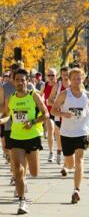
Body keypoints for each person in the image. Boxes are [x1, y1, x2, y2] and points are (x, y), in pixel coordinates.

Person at [0, 68, 49, 214]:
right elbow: (9, 115)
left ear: (27, 81)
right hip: (16, 137)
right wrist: (2, 120)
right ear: (13, 81)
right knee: (18, 170)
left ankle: (25, 179)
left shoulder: (34, 96)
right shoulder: (11, 98)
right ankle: (22, 201)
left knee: (34, 172)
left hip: (32, 136)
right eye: (17, 80)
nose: (20, 83)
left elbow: (46, 114)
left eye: (23, 80)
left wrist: (33, 122)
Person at [51, 68, 89, 204]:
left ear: (82, 79)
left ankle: (76, 189)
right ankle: (69, 167)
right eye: (74, 78)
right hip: (66, 133)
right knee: (70, 164)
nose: (77, 81)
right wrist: (63, 114)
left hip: (82, 132)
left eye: (79, 78)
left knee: (79, 160)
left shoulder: (88, 95)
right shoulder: (64, 94)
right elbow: (53, 110)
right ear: (70, 80)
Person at [47, 66, 70, 166]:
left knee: (69, 138)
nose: (66, 77)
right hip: (59, 116)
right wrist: (58, 105)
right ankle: (59, 151)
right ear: (61, 75)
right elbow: (49, 100)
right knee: (60, 138)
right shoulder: (57, 85)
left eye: (67, 74)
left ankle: (67, 159)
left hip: (71, 116)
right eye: (64, 75)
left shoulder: (76, 85)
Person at [40, 68, 57, 162]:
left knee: (59, 134)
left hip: (59, 112)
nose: (50, 77)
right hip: (49, 112)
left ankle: (60, 150)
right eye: (49, 75)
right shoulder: (45, 85)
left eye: (52, 75)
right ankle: (51, 153)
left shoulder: (59, 85)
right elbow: (39, 95)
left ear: (56, 76)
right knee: (50, 129)